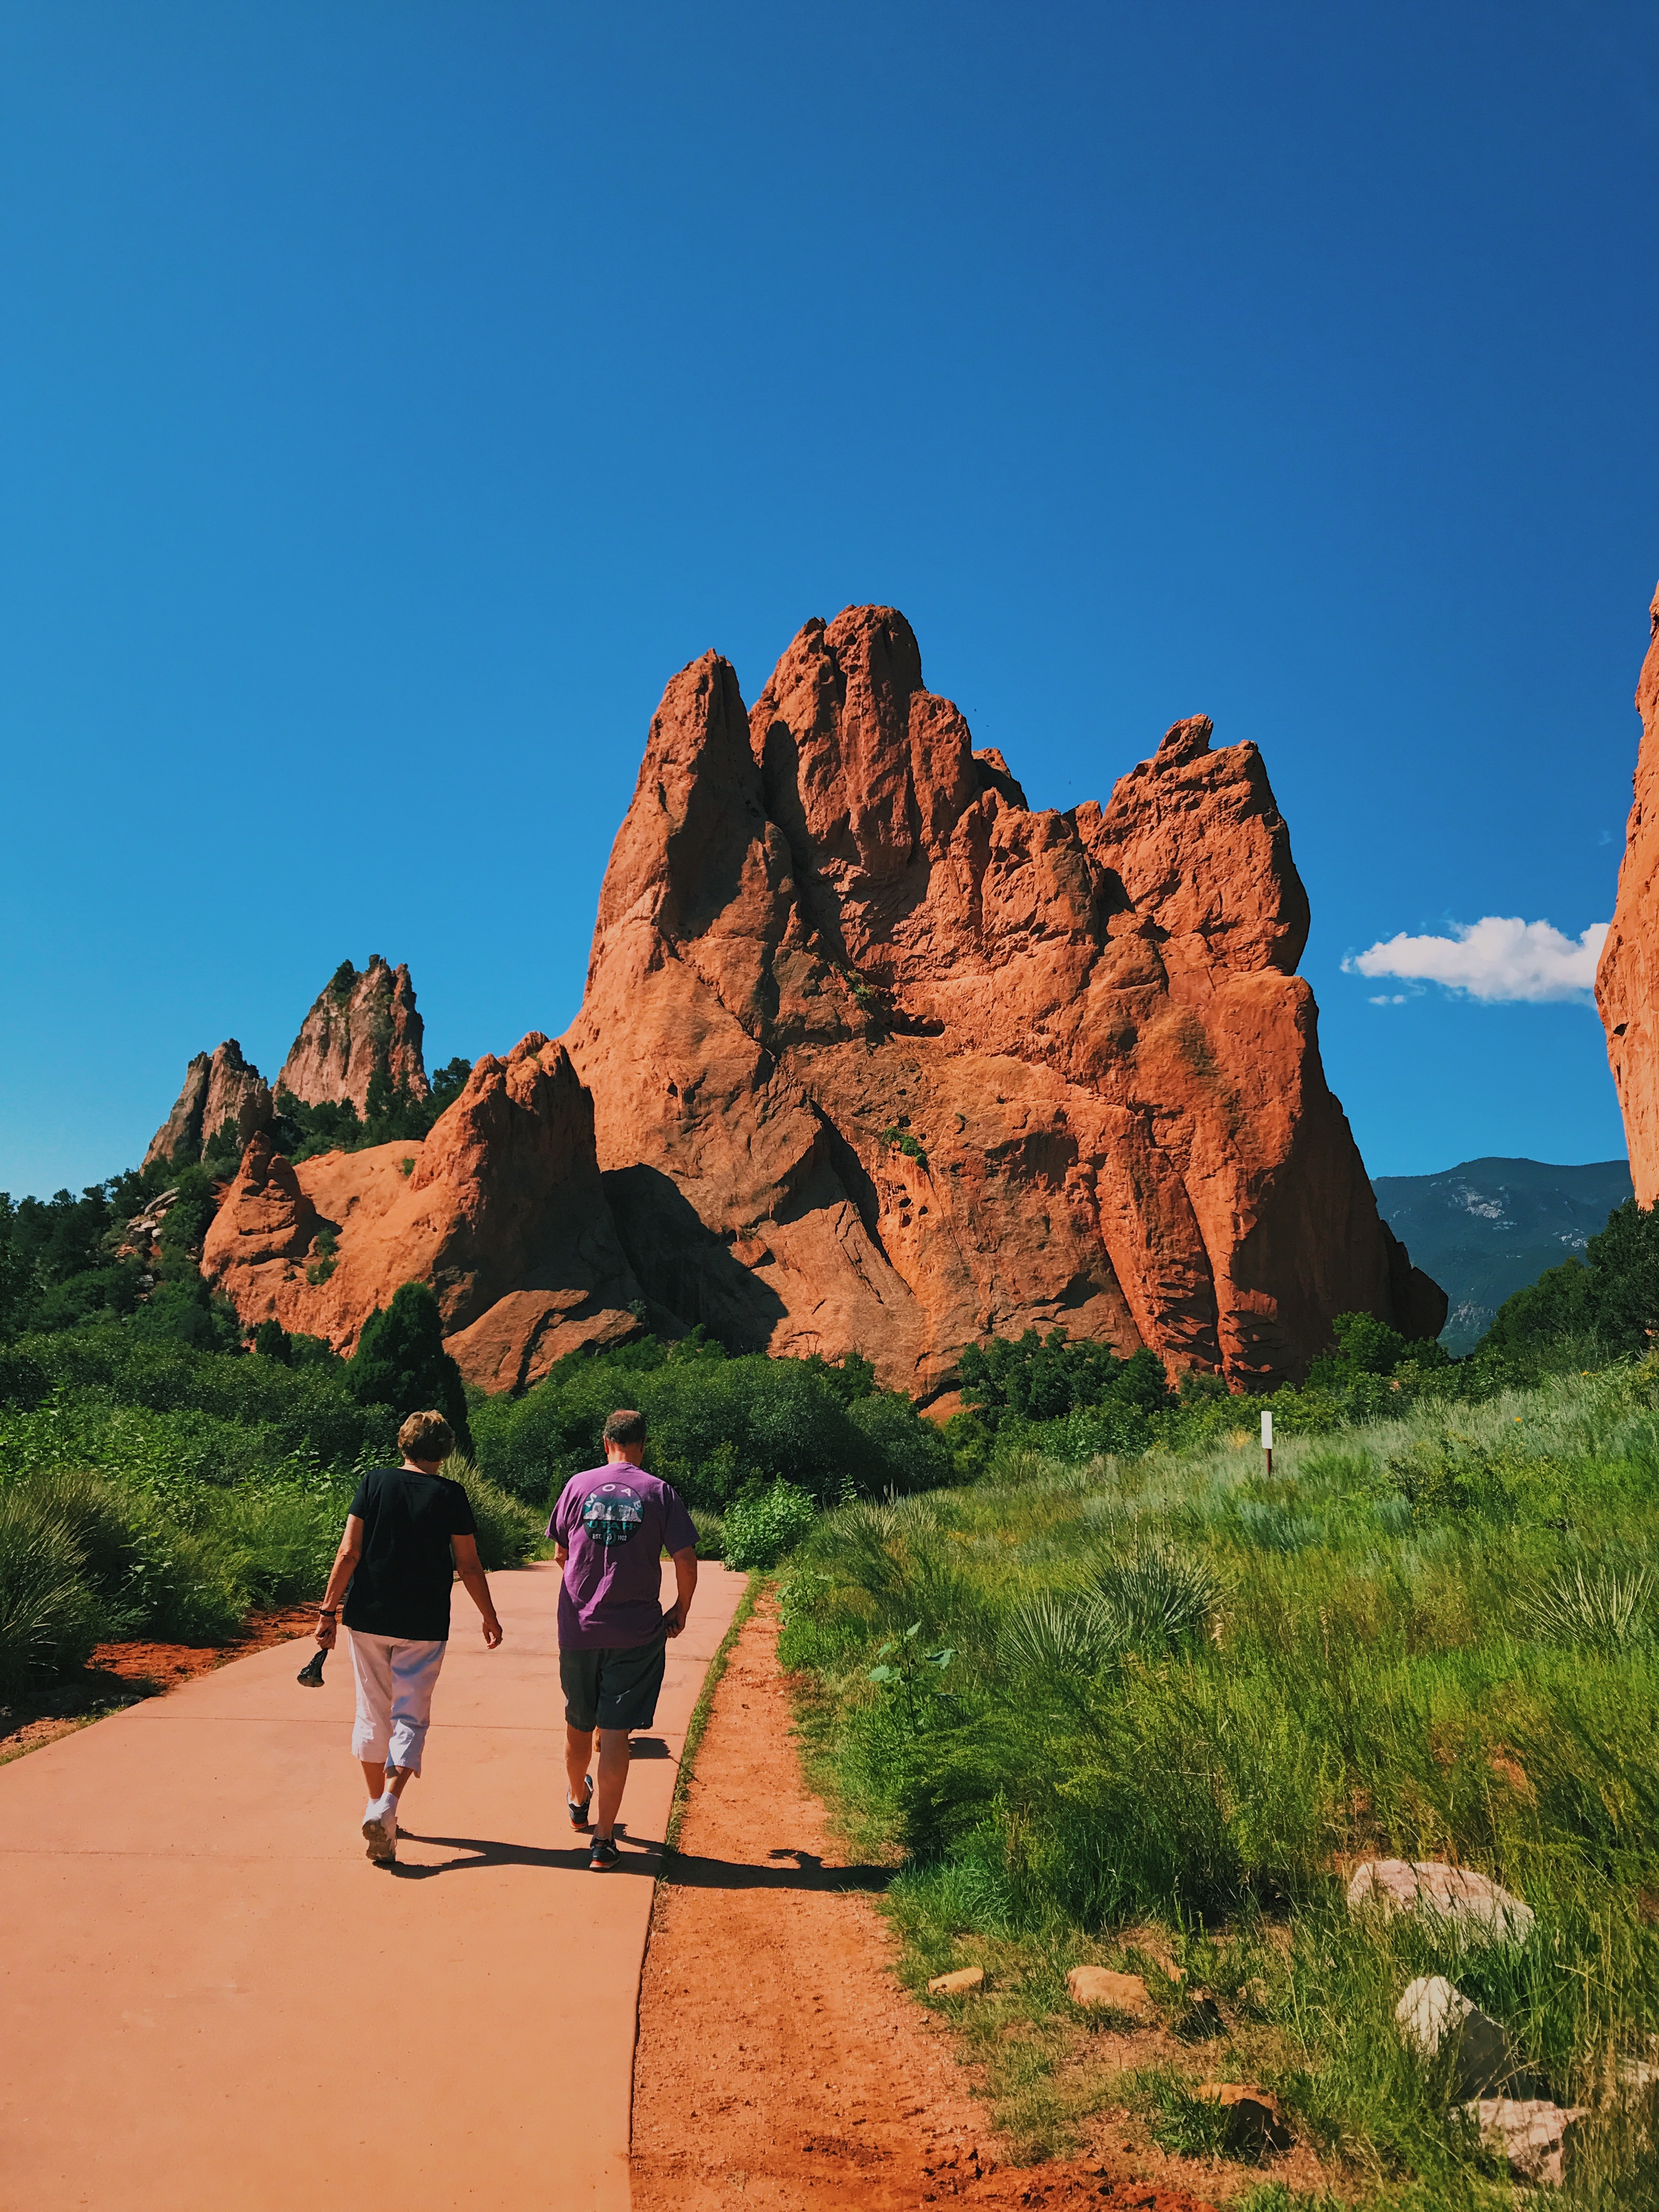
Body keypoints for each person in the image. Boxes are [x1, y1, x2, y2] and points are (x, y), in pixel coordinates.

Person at [314, 1409, 503, 1865]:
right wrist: (489, 1615)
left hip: (369, 1617)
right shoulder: (451, 1494)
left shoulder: (375, 1483)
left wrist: (328, 1610)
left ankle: (377, 1805)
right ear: (446, 1451)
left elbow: (349, 1551)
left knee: (372, 1710)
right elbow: (469, 1564)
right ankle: (388, 1806)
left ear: (403, 1444)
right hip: (423, 1623)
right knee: (410, 1714)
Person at [551, 1407, 698, 1870]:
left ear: (604, 1441)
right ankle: (604, 1840)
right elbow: (686, 1560)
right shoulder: (659, 1492)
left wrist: (586, 1588)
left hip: (579, 1628)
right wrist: (681, 1609)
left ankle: (578, 1799)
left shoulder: (577, 1486)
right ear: (643, 1444)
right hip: (636, 1632)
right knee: (614, 1735)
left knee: (579, 1724)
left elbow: (560, 1552)